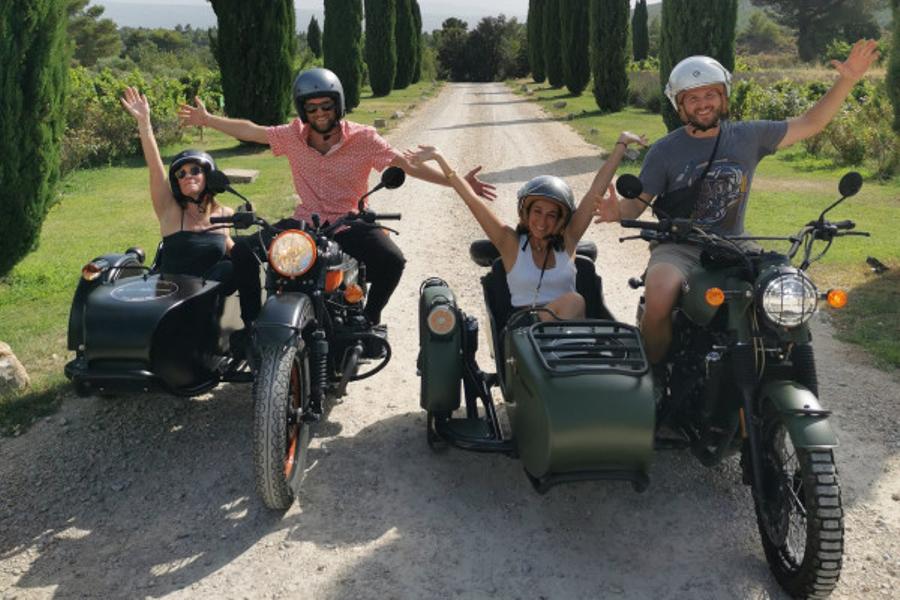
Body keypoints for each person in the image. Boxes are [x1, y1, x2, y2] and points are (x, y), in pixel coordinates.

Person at [595, 40, 879, 364]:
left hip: (735, 243)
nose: (703, 104)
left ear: (723, 97)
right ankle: (655, 375)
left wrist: (848, 80)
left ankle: (778, 364)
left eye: (710, 94)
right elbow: (638, 204)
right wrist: (619, 210)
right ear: (680, 105)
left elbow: (810, 123)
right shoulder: (664, 151)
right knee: (659, 293)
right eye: (692, 98)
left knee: (787, 285)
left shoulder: (748, 136)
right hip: (679, 245)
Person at [178, 67, 496, 330]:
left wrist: (457, 182)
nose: (319, 113)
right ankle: (251, 324)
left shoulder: (363, 138)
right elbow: (253, 130)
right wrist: (209, 120)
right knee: (245, 252)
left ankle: (369, 318)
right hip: (304, 221)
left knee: (392, 260)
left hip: (349, 221)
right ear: (303, 110)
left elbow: (406, 166)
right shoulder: (291, 135)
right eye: (312, 107)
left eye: (326, 106)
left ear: (337, 105)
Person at [404, 131, 647, 321]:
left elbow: (596, 189)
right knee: (574, 301)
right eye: (537, 212)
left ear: (562, 219)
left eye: (552, 215)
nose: (542, 221)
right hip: (524, 333)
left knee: (577, 306)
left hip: (572, 337)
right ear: (525, 213)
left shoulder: (569, 240)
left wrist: (621, 143)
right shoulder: (509, 243)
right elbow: (471, 199)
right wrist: (440, 158)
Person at [120, 86, 234, 281]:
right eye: (181, 174)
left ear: (209, 176)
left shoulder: (225, 214)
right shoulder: (169, 211)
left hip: (210, 300)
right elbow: (156, 169)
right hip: (171, 301)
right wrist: (144, 122)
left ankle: (252, 312)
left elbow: (230, 247)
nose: (187, 176)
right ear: (177, 183)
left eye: (195, 170)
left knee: (238, 266)